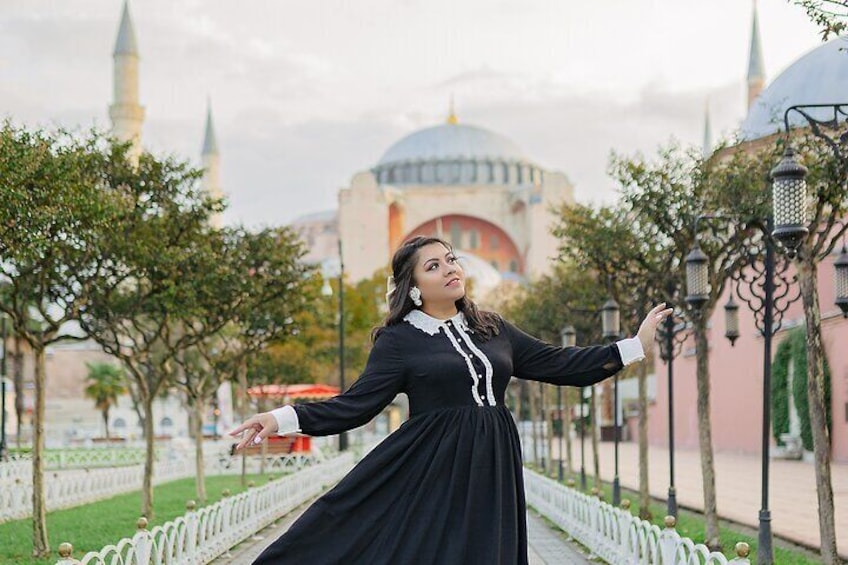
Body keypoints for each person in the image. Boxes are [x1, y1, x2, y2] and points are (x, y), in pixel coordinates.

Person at [230, 235, 672, 564]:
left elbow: (558, 364)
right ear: (414, 284)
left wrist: (632, 347)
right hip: (431, 462)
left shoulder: (493, 327)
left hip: (492, 455)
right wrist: (281, 417)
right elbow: (356, 405)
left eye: (451, 260)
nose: (449, 269)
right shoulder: (399, 340)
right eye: (434, 265)